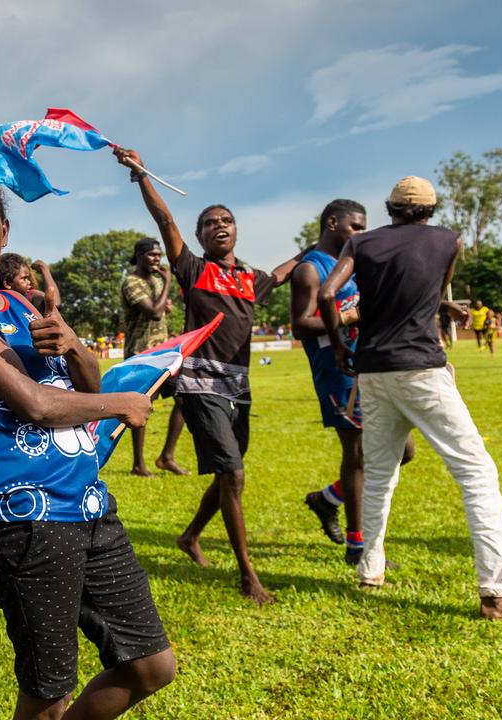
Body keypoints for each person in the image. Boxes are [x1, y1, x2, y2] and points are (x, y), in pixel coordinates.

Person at [0, 171, 173, 719]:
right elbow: (34, 403)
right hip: (26, 524)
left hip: (89, 507)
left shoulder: (21, 302)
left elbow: (85, 383)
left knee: (152, 666)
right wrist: (121, 406)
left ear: (4, 231)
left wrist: (76, 345)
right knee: (49, 692)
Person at [319, 176, 502, 623]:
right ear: (431, 209)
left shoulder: (361, 244)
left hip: (372, 371)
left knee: (380, 474)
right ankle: (495, 595)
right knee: (477, 474)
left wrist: (337, 347)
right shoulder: (449, 241)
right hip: (422, 369)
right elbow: (427, 296)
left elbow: (329, 294)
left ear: (389, 207)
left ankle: (371, 569)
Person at [119, 147, 306, 605]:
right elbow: (166, 224)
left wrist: (319, 247)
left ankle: (189, 537)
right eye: (210, 223)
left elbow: (281, 274)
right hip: (200, 381)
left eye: (226, 220)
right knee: (234, 474)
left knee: (229, 476)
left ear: (236, 230)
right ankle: (248, 576)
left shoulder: (249, 278)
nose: (219, 226)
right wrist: (142, 175)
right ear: (201, 236)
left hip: (238, 384)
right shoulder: (194, 269)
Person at [292, 199, 415, 564]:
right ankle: (357, 547)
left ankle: (328, 498)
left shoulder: (354, 264)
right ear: (333, 223)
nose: (362, 233)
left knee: (403, 450)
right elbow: (301, 323)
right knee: (359, 454)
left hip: (373, 365)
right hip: (339, 370)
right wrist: (352, 315)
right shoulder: (310, 270)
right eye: (356, 226)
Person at [120, 236, 191, 477]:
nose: (157, 259)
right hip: (142, 355)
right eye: (152, 255)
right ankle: (139, 464)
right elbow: (152, 312)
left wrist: (164, 304)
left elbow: (161, 307)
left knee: (184, 398)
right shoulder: (132, 282)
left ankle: (166, 456)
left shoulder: (156, 281)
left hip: (165, 353)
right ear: (139, 256)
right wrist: (168, 282)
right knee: (141, 407)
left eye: (159, 256)